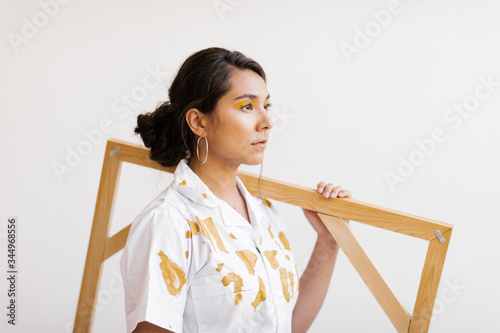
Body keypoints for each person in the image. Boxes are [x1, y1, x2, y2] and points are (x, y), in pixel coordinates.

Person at [119, 47, 352, 333]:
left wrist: (328, 243)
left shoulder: (263, 211)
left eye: (266, 106)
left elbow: (286, 326)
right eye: (246, 106)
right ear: (199, 122)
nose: (267, 122)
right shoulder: (169, 222)